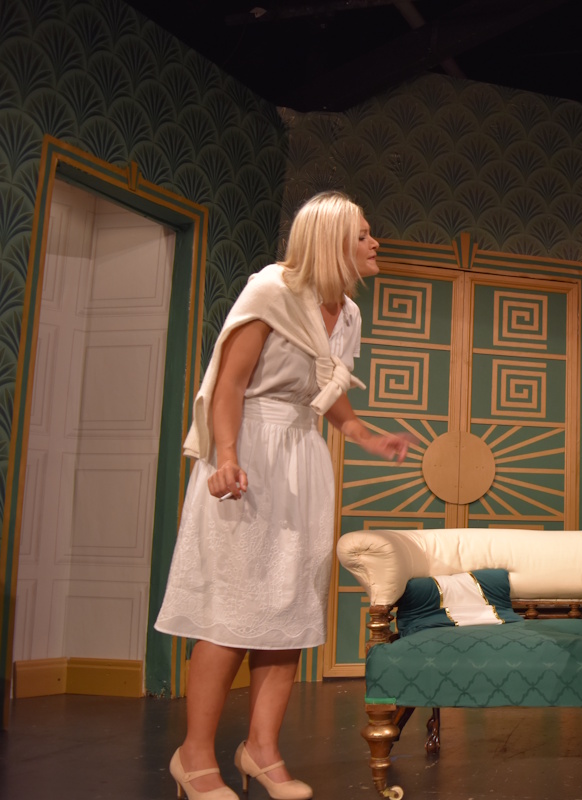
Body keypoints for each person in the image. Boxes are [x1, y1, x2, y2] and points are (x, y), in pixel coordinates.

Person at [155, 191, 411, 800]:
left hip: (302, 458)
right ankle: (194, 756)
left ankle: (261, 749)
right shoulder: (271, 291)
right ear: (330, 240)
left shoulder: (348, 313)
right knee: (230, 612)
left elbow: (327, 392)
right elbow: (229, 383)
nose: (374, 243)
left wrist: (364, 435)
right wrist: (226, 455)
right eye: (363, 234)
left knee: (288, 611)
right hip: (249, 450)